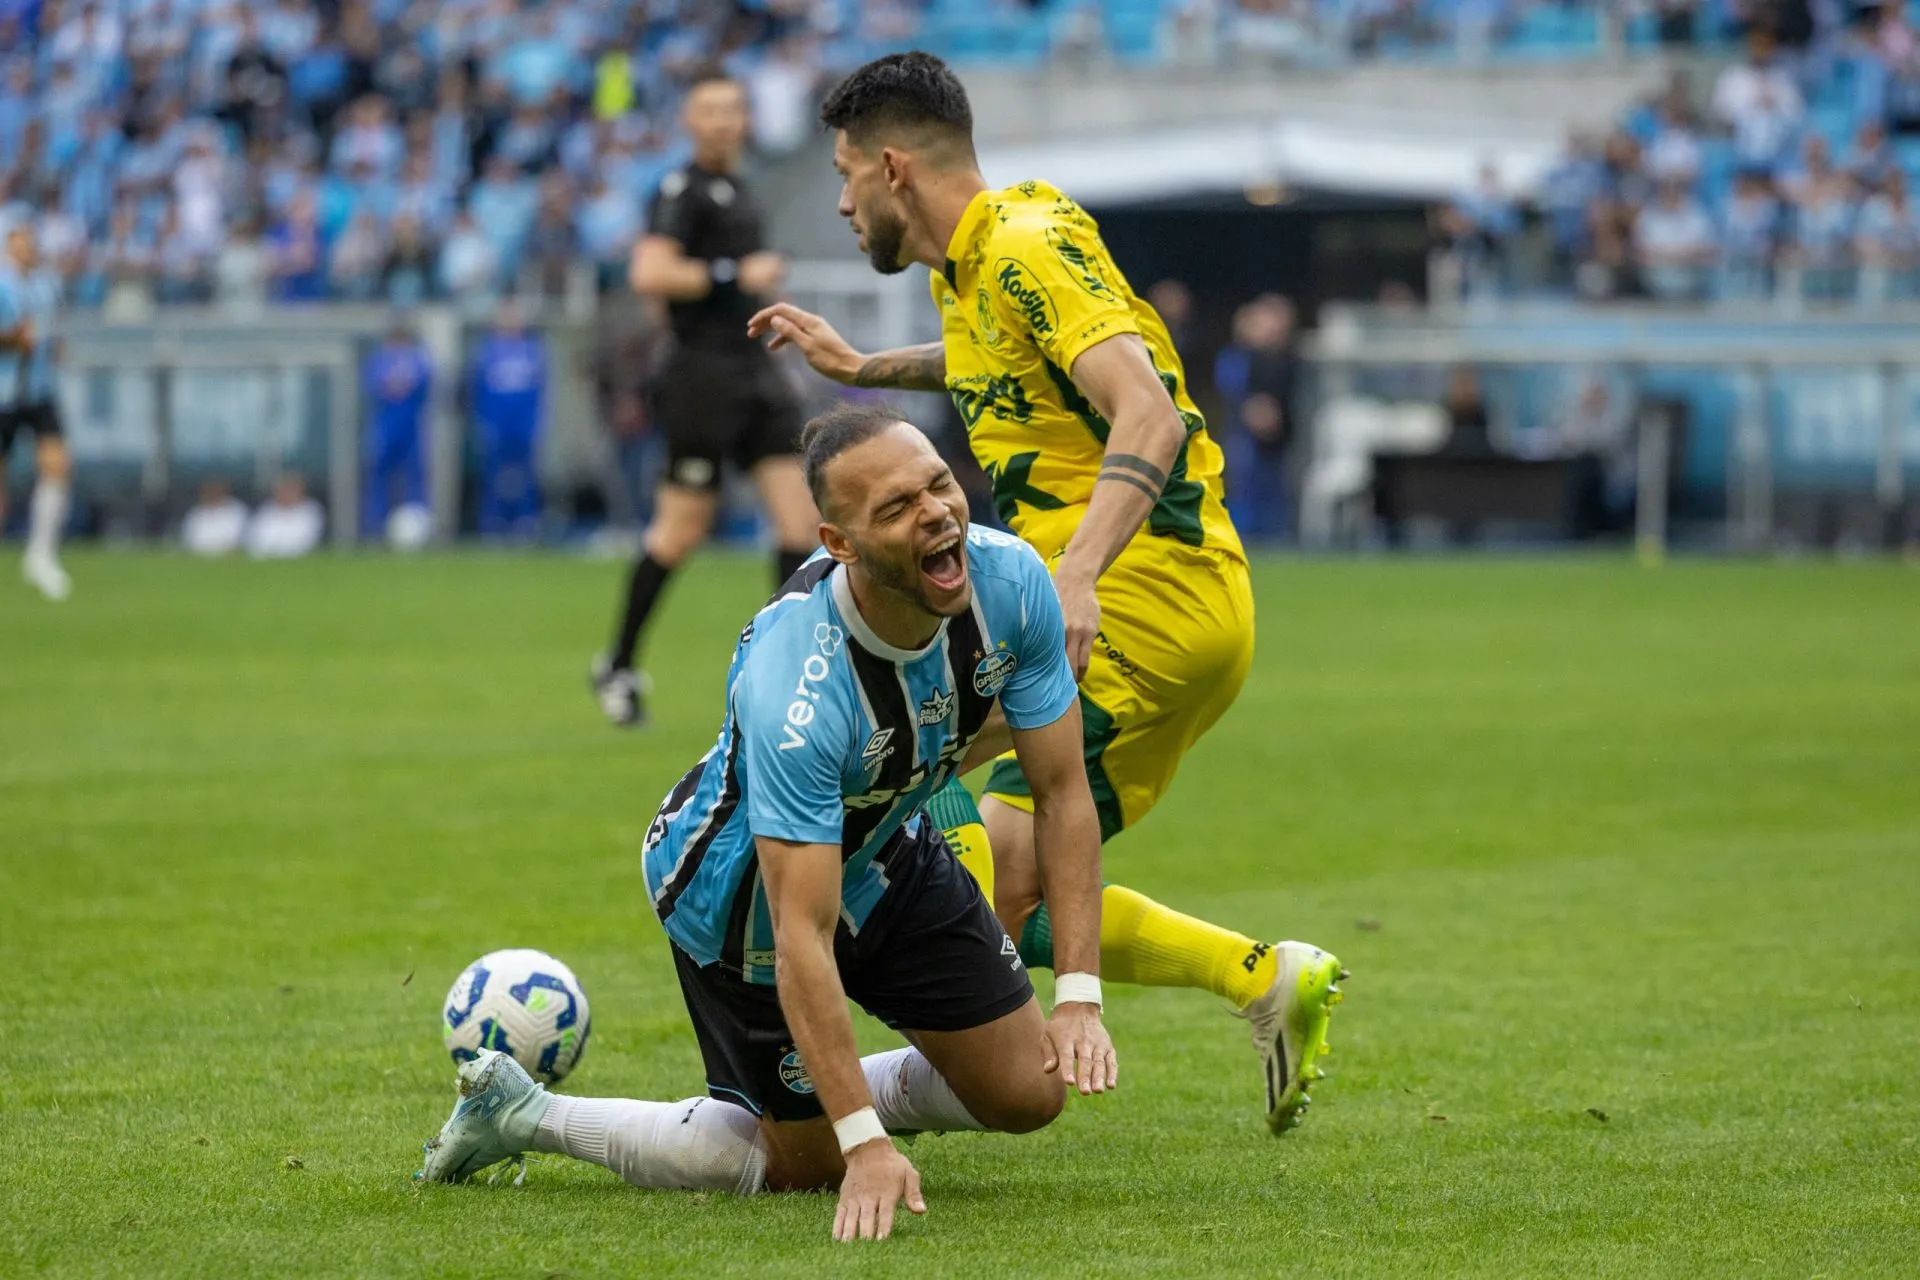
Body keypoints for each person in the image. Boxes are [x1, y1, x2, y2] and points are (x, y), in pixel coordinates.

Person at [746, 52, 1345, 1134]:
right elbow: (1002, 359)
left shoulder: (1022, 247)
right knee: (965, 859)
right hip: (1165, 608)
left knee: (929, 837)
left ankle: (881, 1091)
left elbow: (1149, 414)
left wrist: (1075, 574)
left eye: (845, 175)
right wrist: (865, 368)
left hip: (1135, 605)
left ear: (891, 166)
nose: (839, 202)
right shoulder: (992, 252)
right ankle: (1262, 976)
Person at [418, 406, 1117, 1241]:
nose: (936, 511)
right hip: (740, 897)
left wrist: (1077, 994)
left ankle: (824, 1095)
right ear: (841, 544)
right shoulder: (797, 688)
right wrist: (860, 1144)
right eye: (895, 508)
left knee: (1029, 1092)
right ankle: (525, 1114)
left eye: (938, 482)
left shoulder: (1010, 581)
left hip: (885, 846)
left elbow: (1064, 791)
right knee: (810, 1169)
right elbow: (797, 937)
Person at [590, 65, 819, 729]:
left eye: (733, 109)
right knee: (681, 530)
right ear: (690, 122)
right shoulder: (680, 190)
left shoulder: (738, 190)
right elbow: (649, 273)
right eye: (710, 111)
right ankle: (619, 662)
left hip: (754, 373)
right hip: (703, 379)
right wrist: (732, 275)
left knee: (801, 526)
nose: (724, 121)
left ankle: (788, 676)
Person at [0, 222, 74, 601]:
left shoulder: (47, 285)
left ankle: (41, 554)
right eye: (19, 242)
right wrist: (14, 339)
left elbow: (54, 329)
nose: (26, 248)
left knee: (58, 465)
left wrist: (55, 348)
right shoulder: (2, 285)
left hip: (40, 390)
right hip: (5, 392)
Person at [468, 297, 545, 539]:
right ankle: (493, 522)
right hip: (496, 425)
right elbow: (477, 392)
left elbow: (542, 392)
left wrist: (538, 423)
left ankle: (526, 520)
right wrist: (482, 423)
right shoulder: (486, 352)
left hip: (523, 425)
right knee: (493, 476)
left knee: (526, 475)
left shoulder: (533, 351)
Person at [361, 318, 433, 540]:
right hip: (385, 428)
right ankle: (374, 528)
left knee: (415, 479)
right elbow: (373, 387)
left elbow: (426, 384)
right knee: (379, 479)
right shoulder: (378, 360)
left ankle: (419, 530)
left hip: (411, 428)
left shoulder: (418, 359)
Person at [246, 471, 325, 558]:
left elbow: (305, 543)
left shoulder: (311, 511)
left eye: (291, 489)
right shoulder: (266, 510)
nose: (287, 493)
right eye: (283, 488)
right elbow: (255, 542)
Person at [181, 477, 250, 556]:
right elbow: (189, 542)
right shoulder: (195, 513)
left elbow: (238, 540)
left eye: (214, 488)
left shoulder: (237, 510)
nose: (211, 492)